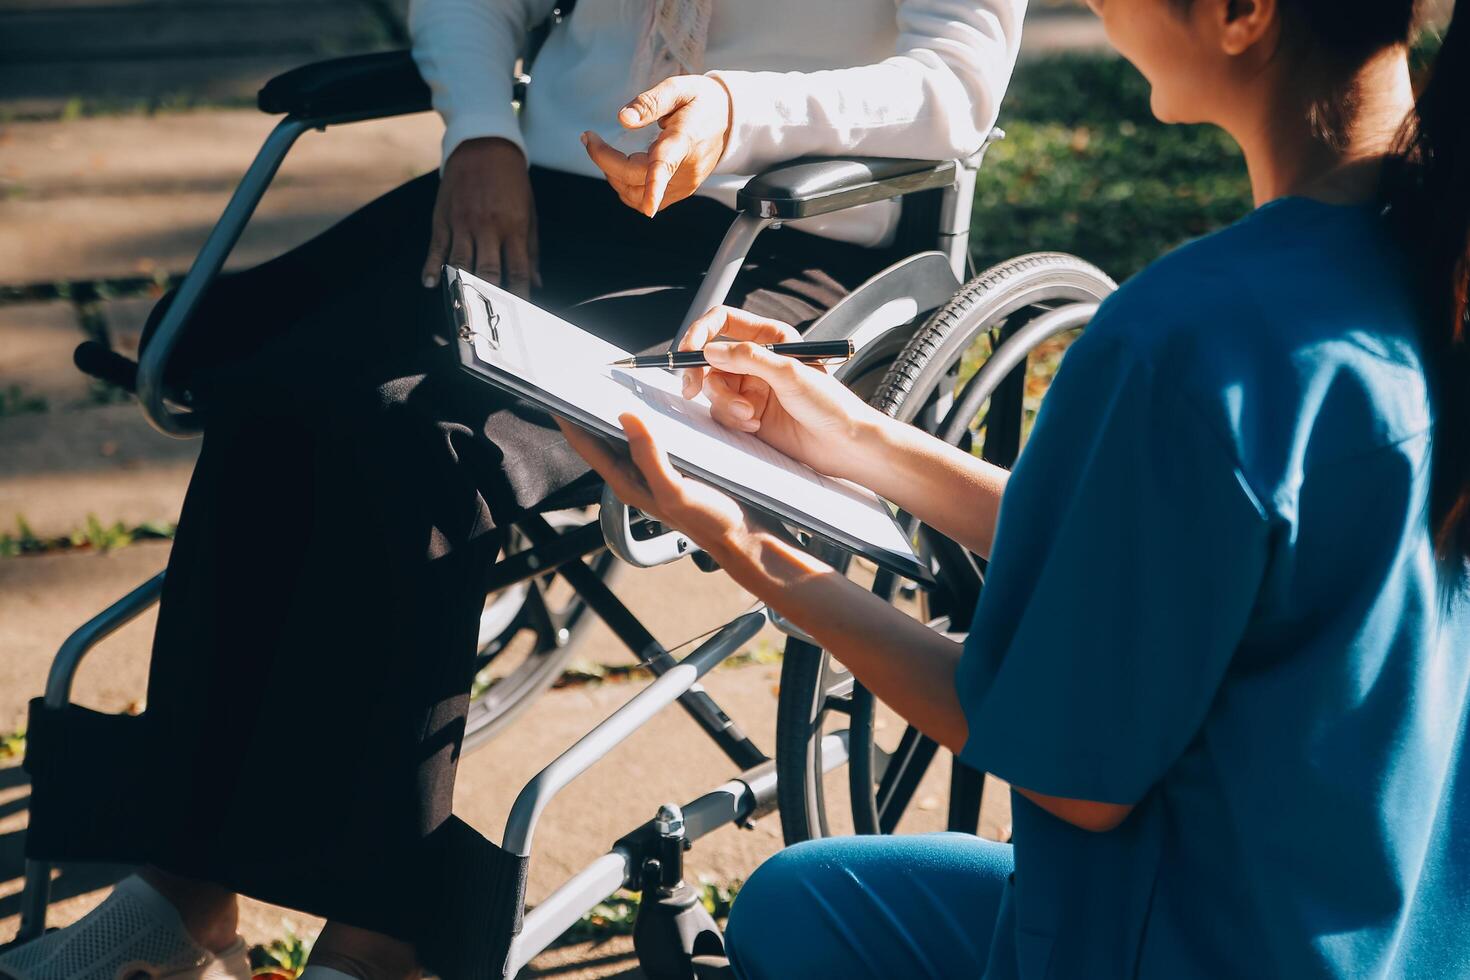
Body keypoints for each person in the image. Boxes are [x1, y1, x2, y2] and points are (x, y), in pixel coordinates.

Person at [2, 2, 1025, 980]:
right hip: (539, 187)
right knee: (271, 378)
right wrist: (481, 132)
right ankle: (184, 888)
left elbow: (956, 83)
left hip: (776, 229)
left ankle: (388, 929)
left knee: (433, 438)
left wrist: (738, 111)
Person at [561, 0, 1470, 975]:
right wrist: (857, 438)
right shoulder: (1424, 273)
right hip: (1389, 927)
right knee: (797, 899)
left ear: (1241, 13)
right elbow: (1169, 548)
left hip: (1172, 940)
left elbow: (1074, 776)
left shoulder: (1182, 343)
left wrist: (746, 545)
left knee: (796, 910)